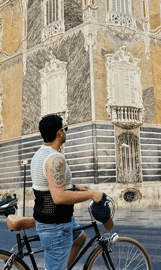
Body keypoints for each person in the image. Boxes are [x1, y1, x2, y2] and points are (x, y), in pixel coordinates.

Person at [31, 115, 103, 270]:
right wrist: (91, 195)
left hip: (56, 220)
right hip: (56, 225)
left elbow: (49, 183)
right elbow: (59, 197)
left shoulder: (39, 154)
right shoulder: (56, 158)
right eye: (65, 129)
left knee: (80, 238)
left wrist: (75, 186)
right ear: (60, 133)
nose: (66, 132)